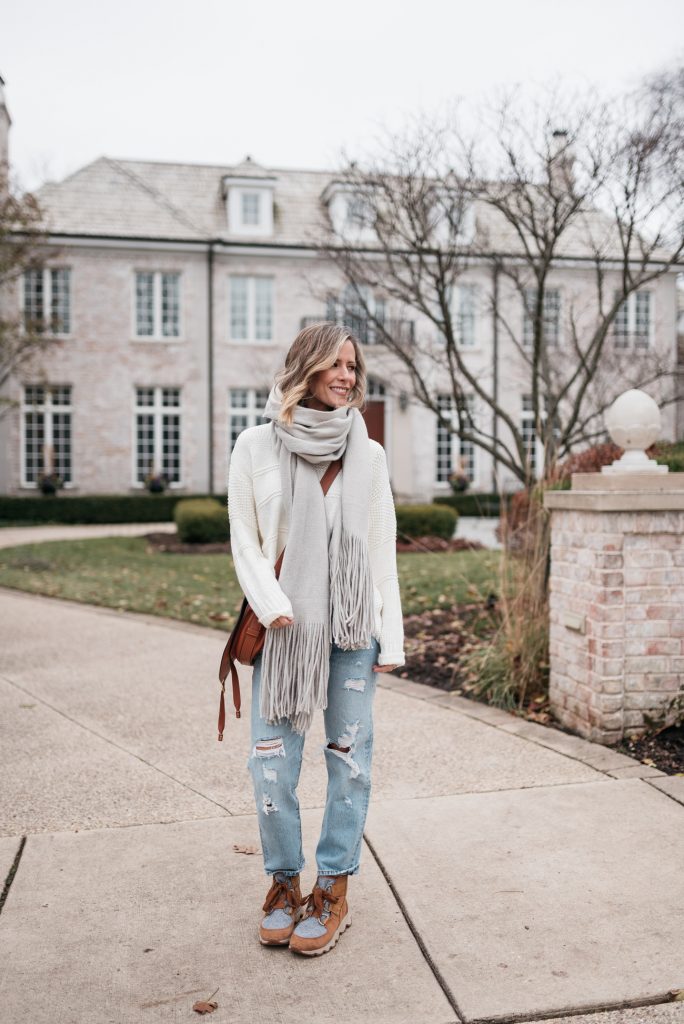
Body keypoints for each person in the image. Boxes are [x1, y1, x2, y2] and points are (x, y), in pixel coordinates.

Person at [227, 321, 405, 957]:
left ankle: (332, 886)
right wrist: (273, 605)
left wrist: (393, 638)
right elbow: (244, 538)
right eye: (336, 364)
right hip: (286, 634)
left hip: (353, 632)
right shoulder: (255, 446)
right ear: (305, 367)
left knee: (348, 764)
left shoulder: (370, 453)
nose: (347, 377)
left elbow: (381, 551)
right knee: (271, 766)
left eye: (353, 367)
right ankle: (282, 883)